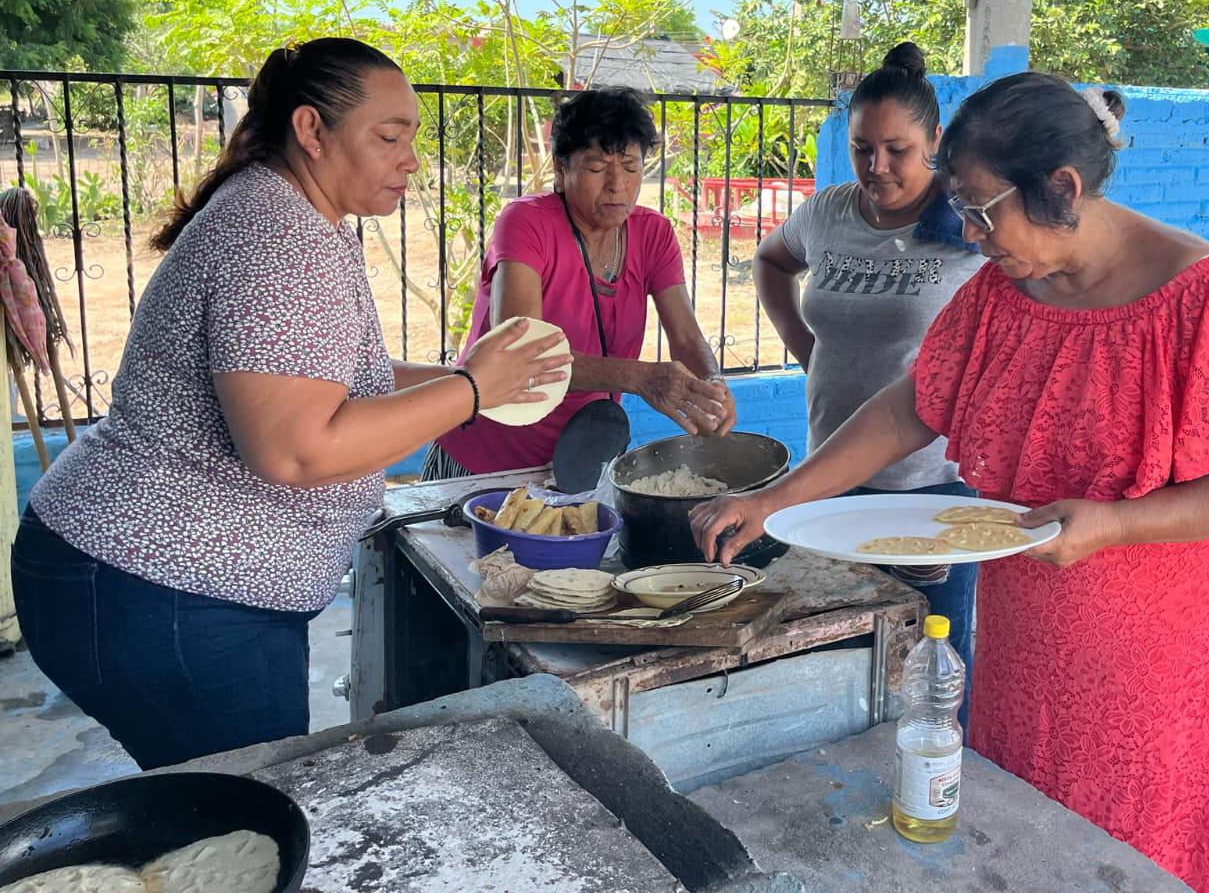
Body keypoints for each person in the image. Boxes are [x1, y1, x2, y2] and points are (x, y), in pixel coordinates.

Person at [693, 72, 1209, 893]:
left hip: (1160, 657)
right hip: (1029, 632)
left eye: (984, 211)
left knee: (1138, 852)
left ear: (1060, 189)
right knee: (1026, 839)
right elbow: (913, 407)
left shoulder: (1197, 295)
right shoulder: (1007, 290)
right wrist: (779, 498)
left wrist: (1115, 525)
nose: (971, 233)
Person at [10, 38, 570, 769]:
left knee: (224, 813)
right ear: (311, 131)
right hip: (164, 591)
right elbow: (295, 449)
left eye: (413, 139)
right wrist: (468, 393)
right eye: (389, 136)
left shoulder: (297, 218)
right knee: (249, 821)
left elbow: (323, 378)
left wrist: (470, 381)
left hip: (156, 585)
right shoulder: (275, 235)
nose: (410, 159)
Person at [754, 42, 985, 681]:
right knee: (834, 664)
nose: (876, 166)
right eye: (862, 148)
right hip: (830, 478)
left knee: (926, 669)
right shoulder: (828, 213)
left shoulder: (969, 224)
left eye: (897, 150)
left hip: (928, 489)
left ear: (935, 139)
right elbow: (771, 261)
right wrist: (807, 351)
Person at [425, 86, 734, 480]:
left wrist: (713, 385)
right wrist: (642, 378)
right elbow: (523, 357)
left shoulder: (653, 233)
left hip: (578, 463)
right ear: (560, 168)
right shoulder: (526, 222)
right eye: (596, 168)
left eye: (631, 166)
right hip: (483, 459)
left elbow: (687, 339)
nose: (617, 184)